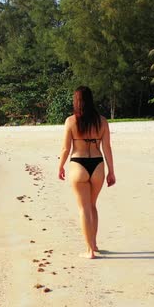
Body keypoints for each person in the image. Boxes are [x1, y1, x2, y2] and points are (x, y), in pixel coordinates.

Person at [58, 86, 116, 259]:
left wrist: (60, 166)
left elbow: (65, 148)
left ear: (76, 101)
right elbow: (107, 148)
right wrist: (111, 172)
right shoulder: (102, 121)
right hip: (97, 164)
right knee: (92, 206)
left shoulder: (71, 121)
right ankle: (95, 244)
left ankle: (89, 250)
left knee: (83, 208)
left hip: (78, 164)